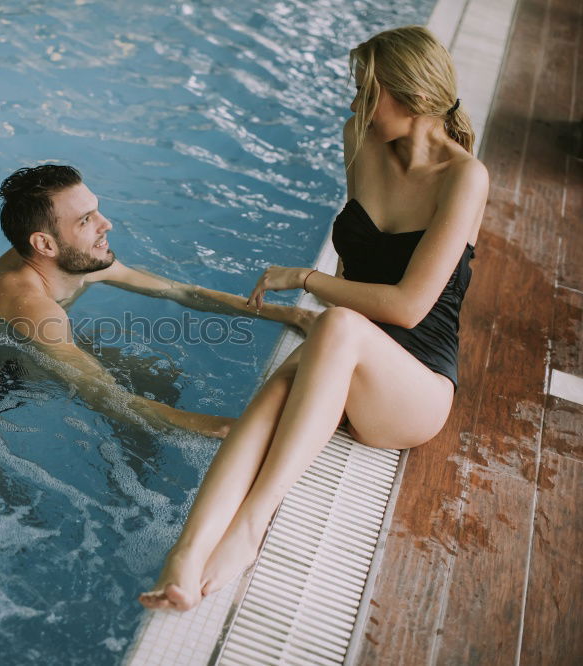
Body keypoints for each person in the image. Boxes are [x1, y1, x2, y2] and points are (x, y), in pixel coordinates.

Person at [139, 25, 487, 611]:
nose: (355, 106)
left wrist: (304, 279)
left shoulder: (464, 178)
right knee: (271, 397)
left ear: (415, 98)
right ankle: (185, 557)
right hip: (348, 352)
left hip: (415, 389)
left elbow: (406, 306)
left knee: (339, 325)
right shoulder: (360, 138)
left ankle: (251, 527)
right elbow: (354, 272)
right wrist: (321, 315)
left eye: (367, 92)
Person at [0, 164, 316, 438]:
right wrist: (223, 428)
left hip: (23, 348)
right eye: (86, 220)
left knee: (157, 379)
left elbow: (178, 291)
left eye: (97, 211)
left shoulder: (76, 258)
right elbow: (102, 393)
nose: (107, 224)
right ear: (45, 245)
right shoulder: (33, 305)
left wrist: (291, 314)